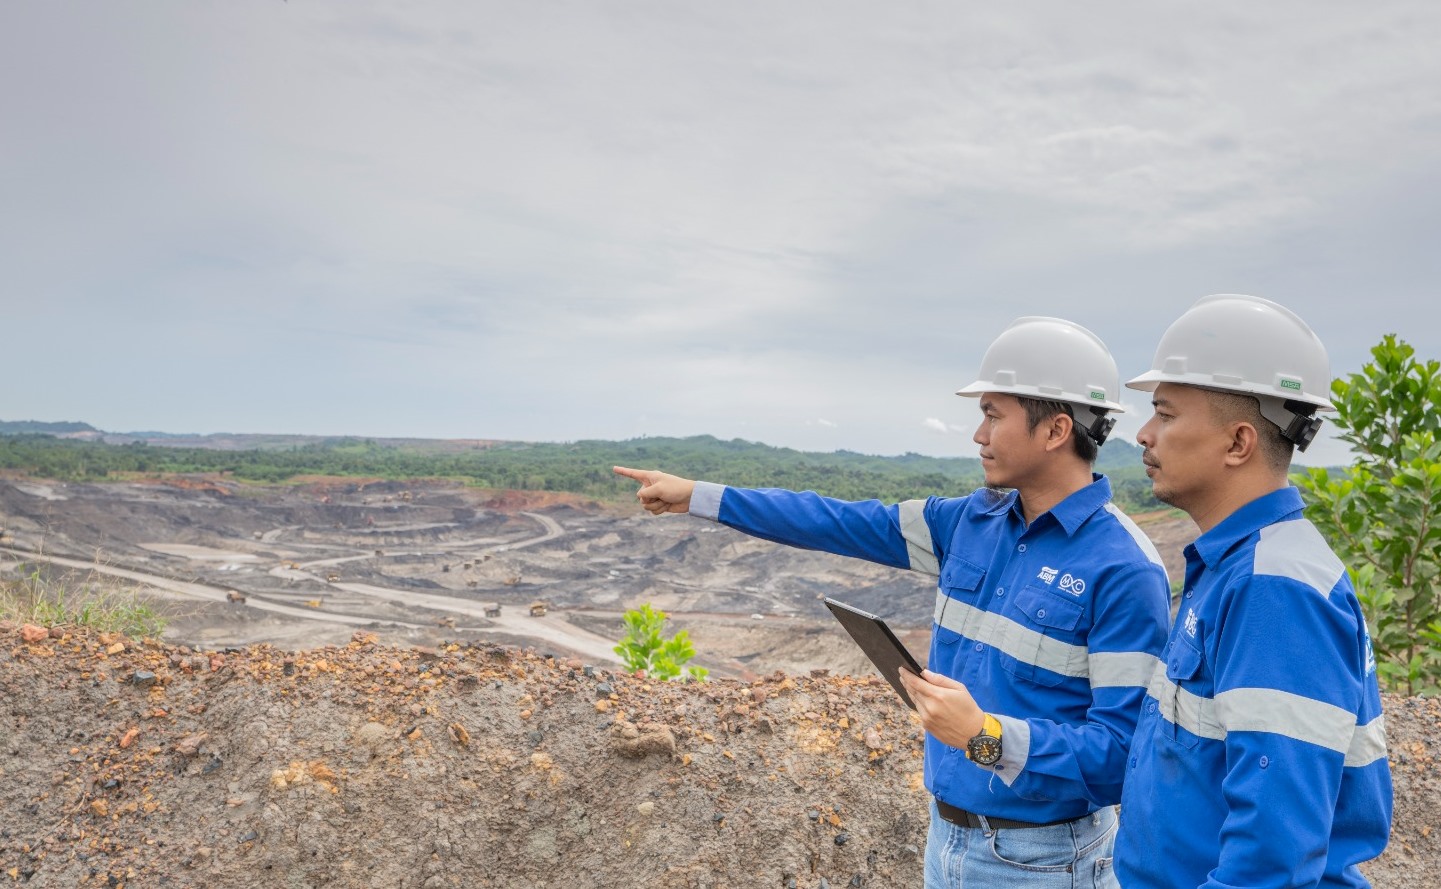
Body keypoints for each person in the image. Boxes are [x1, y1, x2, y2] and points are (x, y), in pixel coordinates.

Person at [614, 317, 1171, 888]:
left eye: (993, 416)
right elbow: (836, 521)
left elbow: (1125, 754)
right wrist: (701, 497)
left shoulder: (1124, 568)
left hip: (1045, 861)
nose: (979, 436)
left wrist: (986, 734)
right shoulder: (970, 523)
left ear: (1055, 431)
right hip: (947, 838)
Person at [1114, 294, 1394, 888]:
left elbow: (1272, 859)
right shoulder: (1236, 566)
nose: (1143, 433)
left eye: (1164, 414)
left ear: (1238, 443)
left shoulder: (1274, 588)